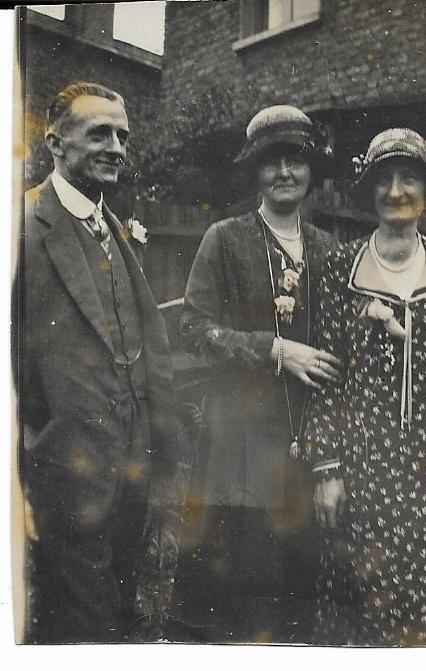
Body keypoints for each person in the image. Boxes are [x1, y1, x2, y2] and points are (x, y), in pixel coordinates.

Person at [303, 128, 426, 646]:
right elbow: (326, 378)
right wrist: (328, 471)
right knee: (363, 610)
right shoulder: (341, 268)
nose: (396, 190)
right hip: (366, 473)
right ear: (369, 191)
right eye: (383, 179)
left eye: (409, 178)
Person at [15, 82, 176, 643]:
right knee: (79, 630)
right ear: (56, 143)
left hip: (129, 476)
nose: (116, 148)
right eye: (100, 134)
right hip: (60, 480)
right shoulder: (19, 225)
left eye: (123, 136)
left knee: (117, 617)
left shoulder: (115, 229)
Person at [173, 105, 341, 643]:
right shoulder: (224, 239)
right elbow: (194, 329)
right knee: (237, 598)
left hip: (304, 447)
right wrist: (274, 349)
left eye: (296, 160)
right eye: (272, 161)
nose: (284, 172)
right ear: (255, 170)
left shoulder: (329, 250)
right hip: (238, 449)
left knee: (295, 601)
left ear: (312, 170)